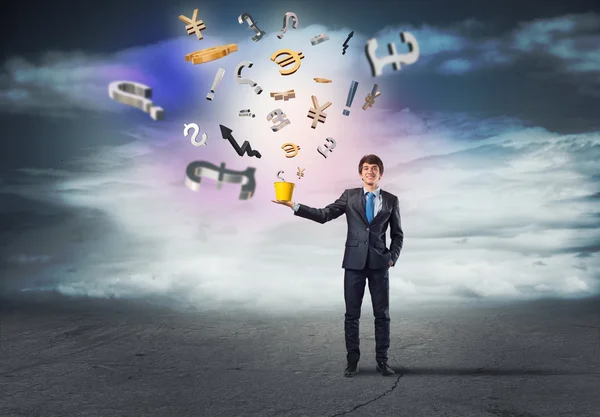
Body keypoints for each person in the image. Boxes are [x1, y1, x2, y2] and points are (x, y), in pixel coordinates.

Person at [272, 154, 404, 377]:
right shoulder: (350, 196)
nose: (369, 171)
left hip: (379, 265)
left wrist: (392, 257)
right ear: (360, 173)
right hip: (353, 263)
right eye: (365, 168)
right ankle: (352, 361)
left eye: (374, 168)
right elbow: (324, 215)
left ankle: (382, 361)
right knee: (351, 315)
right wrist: (294, 205)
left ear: (381, 173)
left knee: (382, 315)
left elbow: (398, 235)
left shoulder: (392, 200)